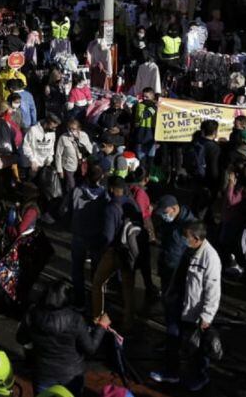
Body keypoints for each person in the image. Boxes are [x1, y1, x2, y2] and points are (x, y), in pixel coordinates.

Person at [151, 220, 220, 390]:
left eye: (187, 236)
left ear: (196, 238)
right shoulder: (189, 251)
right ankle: (171, 372)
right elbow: (179, 274)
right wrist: (170, 293)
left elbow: (213, 290)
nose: (184, 239)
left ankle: (200, 376)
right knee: (172, 338)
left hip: (194, 311)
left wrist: (207, 316)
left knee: (196, 346)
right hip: (179, 304)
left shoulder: (210, 258)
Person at [16, 280, 108, 396]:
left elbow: (21, 339)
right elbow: (90, 348)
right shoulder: (75, 319)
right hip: (71, 376)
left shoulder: (33, 314)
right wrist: (101, 327)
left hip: (43, 373)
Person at [90, 177, 140, 328]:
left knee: (98, 283)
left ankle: (97, 317)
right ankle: (128, 322)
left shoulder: (111, 208)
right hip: (129, 253)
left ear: (111, 189)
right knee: (128, 289)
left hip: (114, 252)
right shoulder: (132, 203)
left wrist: (99, 251)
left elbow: (108, 237)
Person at [70, 166, 107, 308]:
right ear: (101, 177)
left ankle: (79, 301)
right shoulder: (104, 196)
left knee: (77, 270)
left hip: (79, 234)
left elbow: (66, 209)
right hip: (96, 236)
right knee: (97, 271)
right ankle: (96, 303)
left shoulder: (77, 191)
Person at [155, 194, 195, 294]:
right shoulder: (169, 220)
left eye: (165, 212)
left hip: (178, 268)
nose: (163, 216)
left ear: (174, 208)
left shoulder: (189, 224)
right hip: (166, 263)